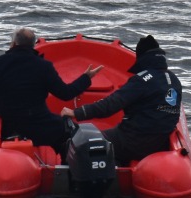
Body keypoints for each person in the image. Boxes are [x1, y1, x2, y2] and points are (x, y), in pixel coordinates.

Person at [0, 28, 102, 157]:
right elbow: (66, 93)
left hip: (10, 128)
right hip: (41, 128)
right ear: (33, 46)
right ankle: (64, 166)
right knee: (69, 130)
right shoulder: (44, 66)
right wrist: (86, 78)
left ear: (13, 43)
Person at [62, 35, 183, 164]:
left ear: (141, 58)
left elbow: (110, 105)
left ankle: (66, 178)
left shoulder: (142, 80)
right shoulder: (174, 80)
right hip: (159, 142)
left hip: (133, 140)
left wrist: (76, 113)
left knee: (76, 143)